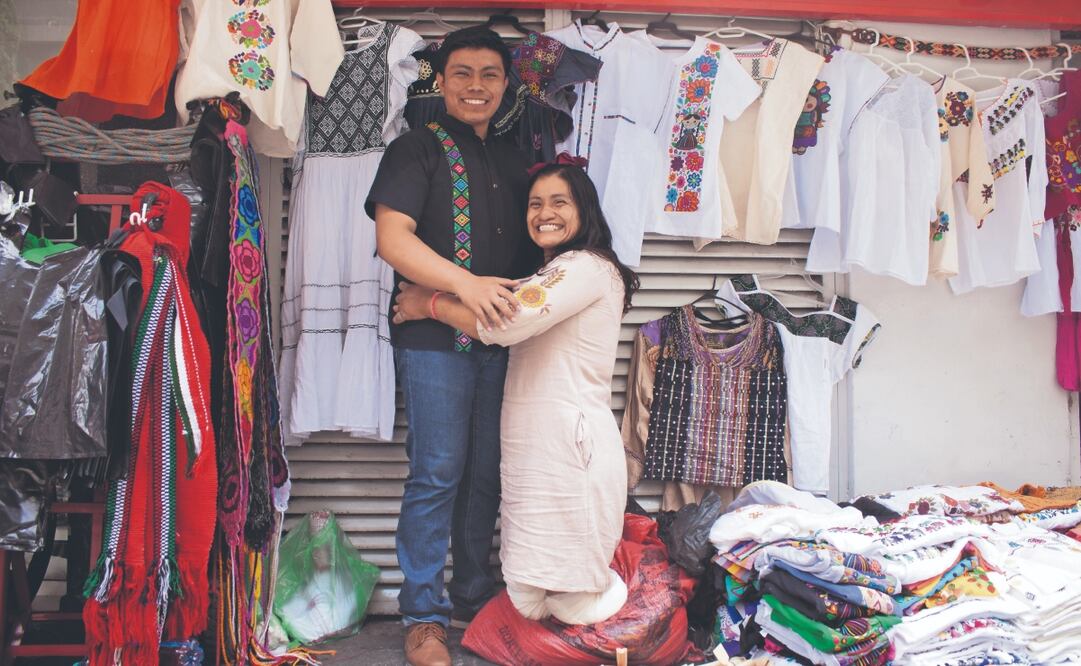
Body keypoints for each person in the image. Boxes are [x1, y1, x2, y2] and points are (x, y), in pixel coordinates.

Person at [393, 163, 640, 625]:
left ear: (585, 209)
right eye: (535, 204)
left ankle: (621, 625)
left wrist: (428, 303)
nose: (545, 213)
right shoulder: (551, 273)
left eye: (559, 202)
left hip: (571, 450)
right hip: (536, 452)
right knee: (529, 596)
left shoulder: (586, 267)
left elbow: (507, 321)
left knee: (574, 599)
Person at [363, 27, 539, 666]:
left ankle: (472, 596)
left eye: (489, 74)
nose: (475, 86)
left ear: (506, 85)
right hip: (434, 338)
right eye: (462, 73)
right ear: (440, 82)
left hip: (502, 341)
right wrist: (462, 285)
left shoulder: (518, 161)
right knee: (437, 472)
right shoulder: (414, 149)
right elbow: (393, 239)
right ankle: (422, 617)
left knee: (487, 473)